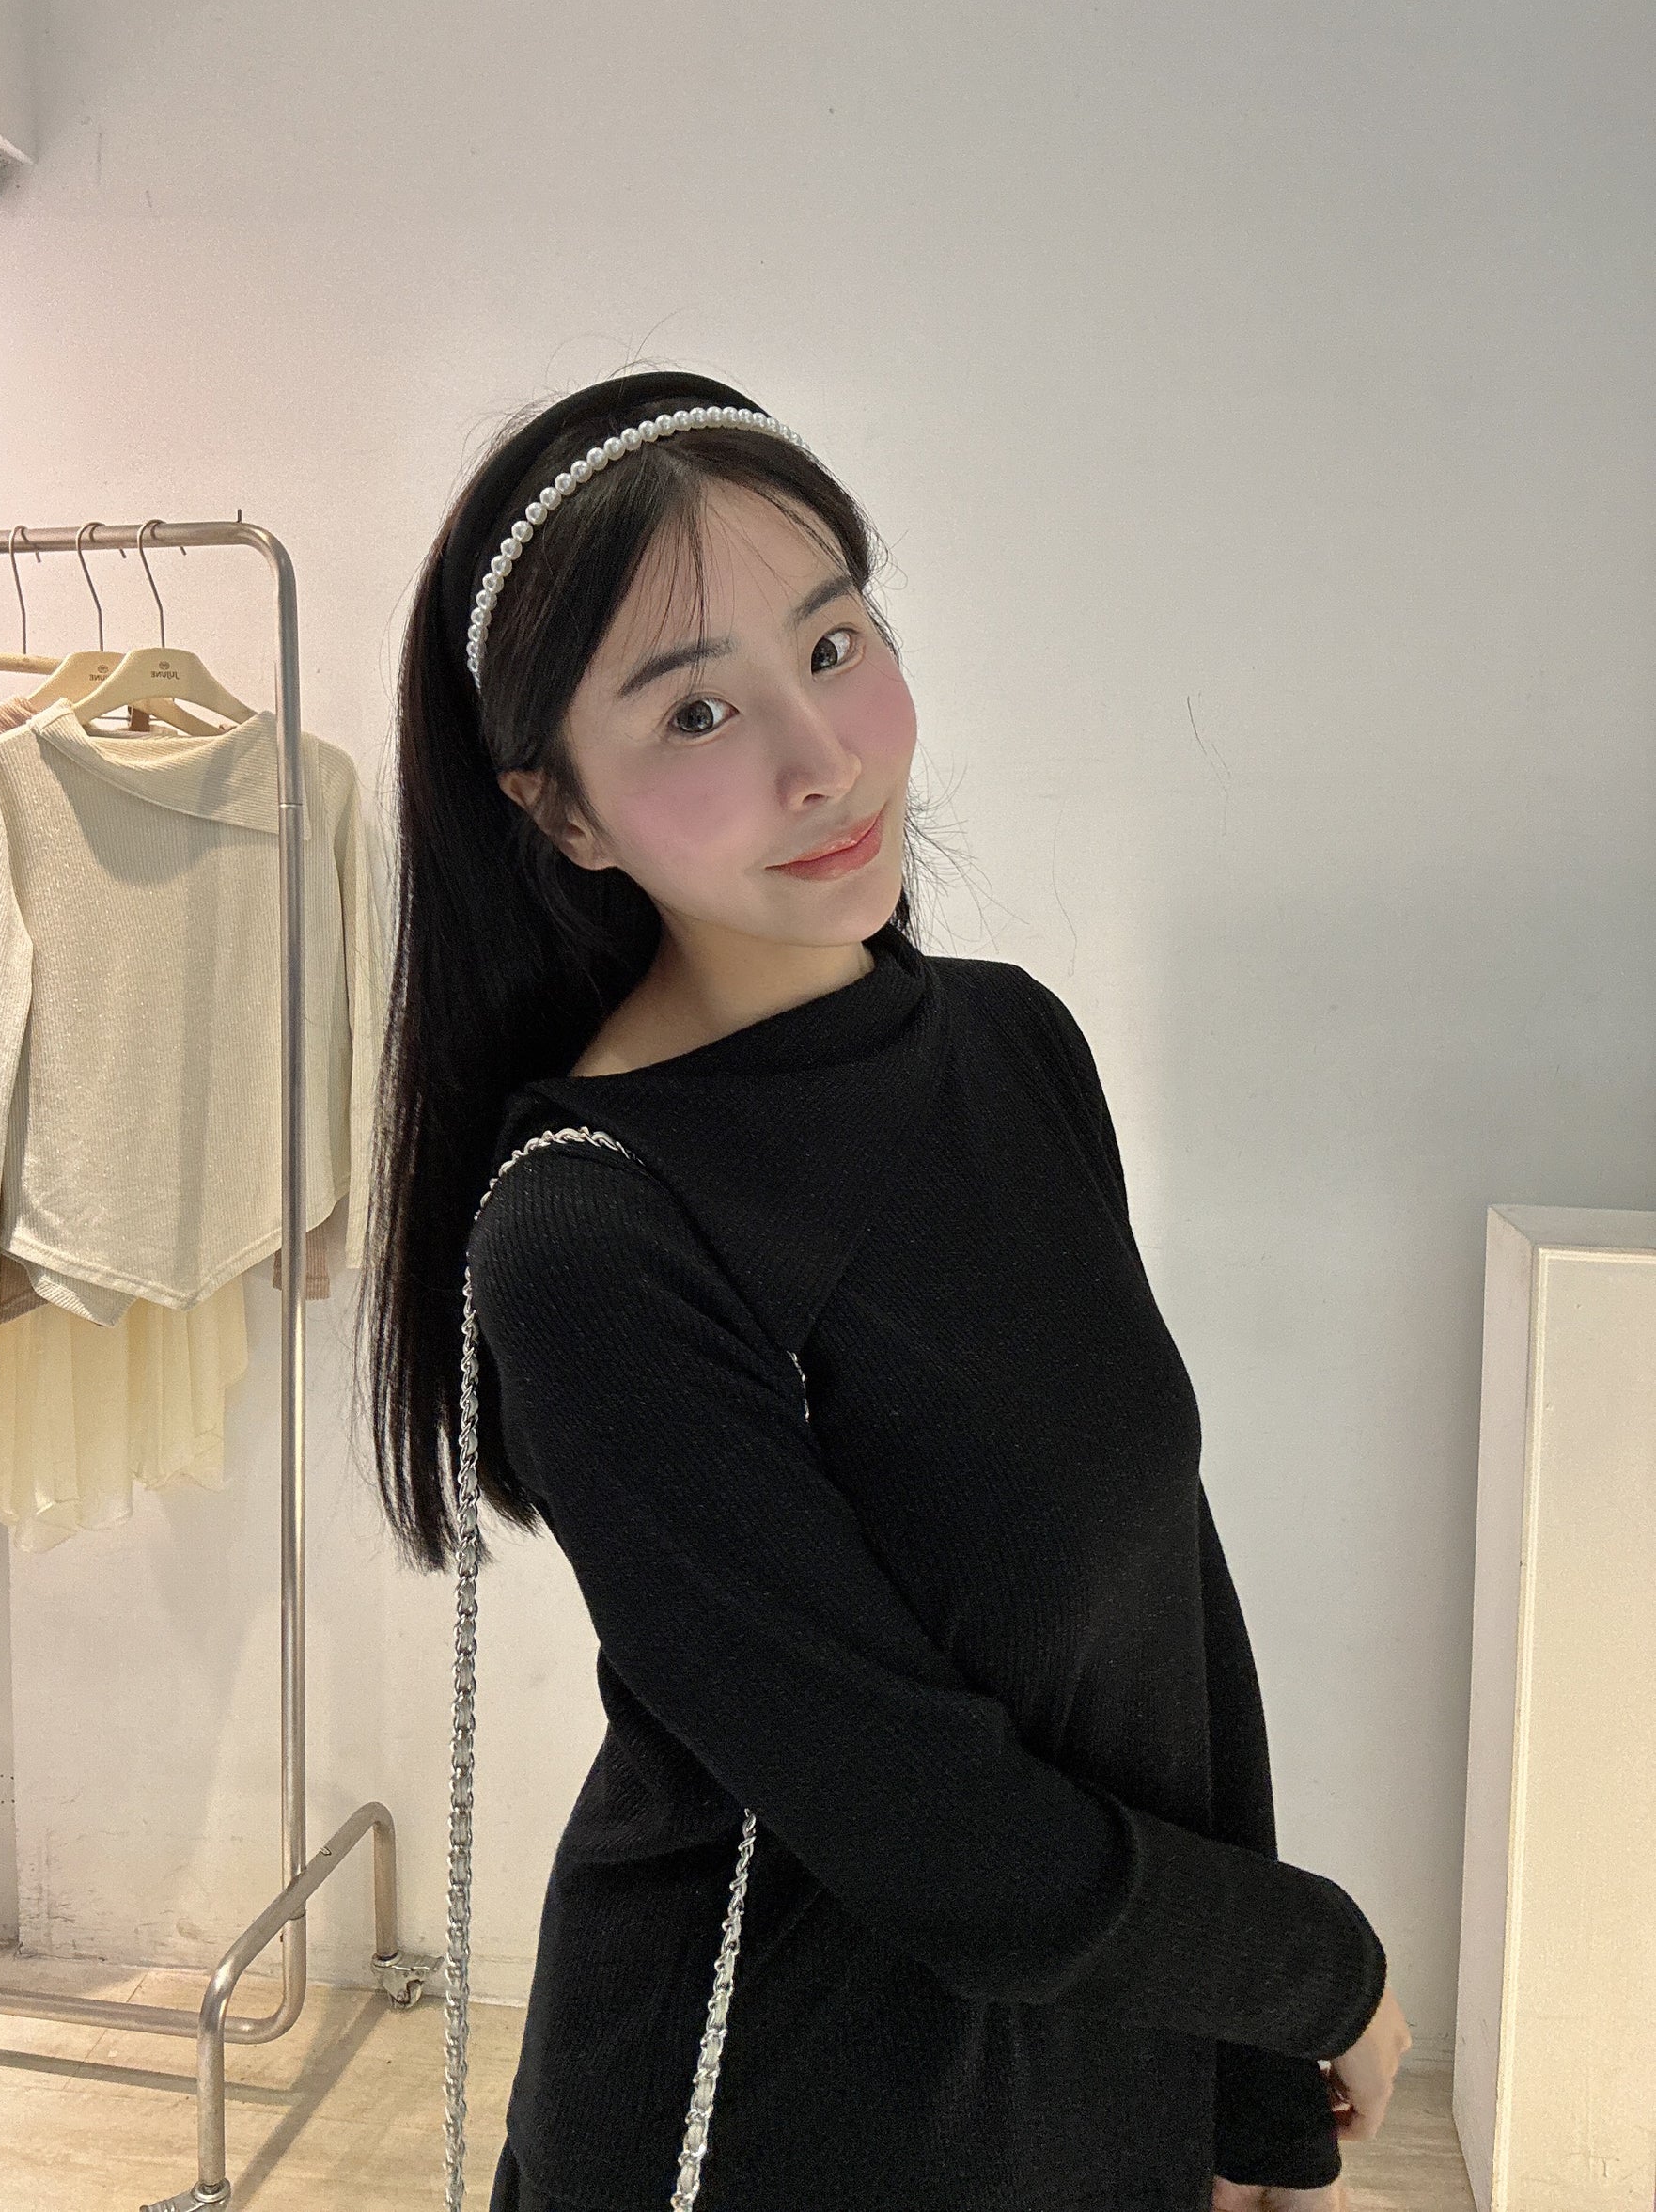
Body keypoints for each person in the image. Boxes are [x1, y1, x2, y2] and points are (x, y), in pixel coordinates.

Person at [359, 369, 1412, 2212]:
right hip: (778, 2120)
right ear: (564, 811)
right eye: (696, 708)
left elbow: (1159, 1590)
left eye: (832, 643)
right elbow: (936, 1832)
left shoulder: (1013, 1047)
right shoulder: (589, 1233)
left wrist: (1241, 2087)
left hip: (1077, 2081)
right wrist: (1313, 1969)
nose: (822, 757)